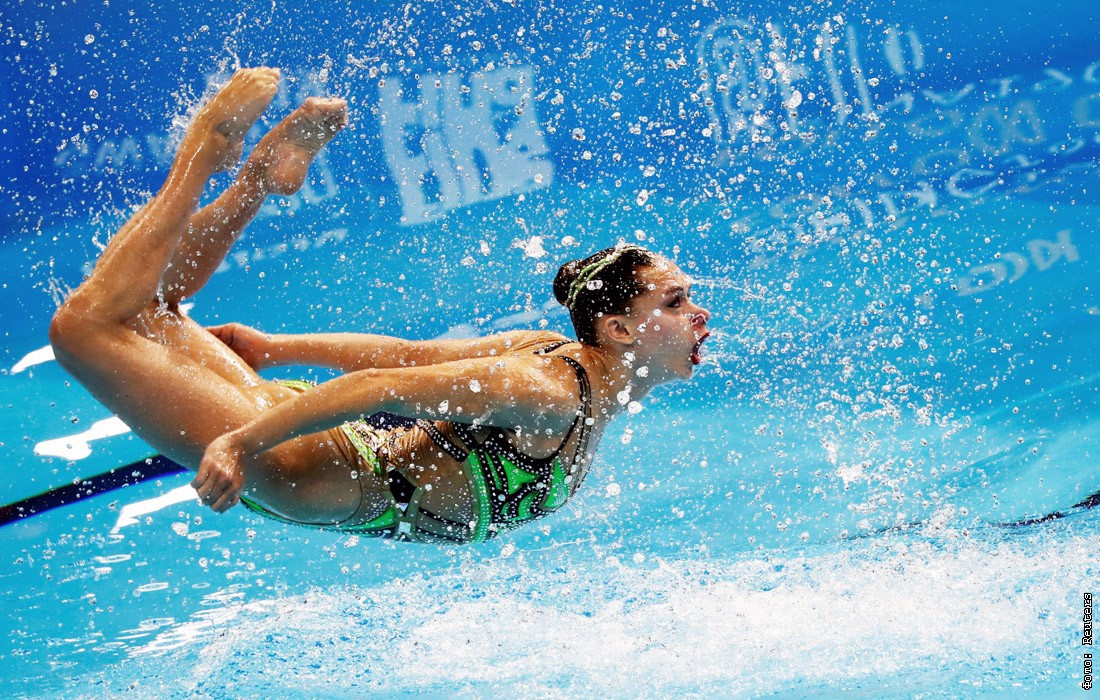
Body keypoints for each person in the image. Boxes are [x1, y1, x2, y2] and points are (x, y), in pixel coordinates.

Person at [49, 67, 712, 544]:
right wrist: (239, 443)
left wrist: (275, 348)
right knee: (82, 327)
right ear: (619, 327)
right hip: (290, 463)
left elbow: (409, 355)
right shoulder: (547, 390)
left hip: (314, 445)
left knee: (147, 312)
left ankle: (254, 183)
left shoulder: (550, 352)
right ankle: (203, 153)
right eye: (676, 300)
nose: (699, 313)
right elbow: (385, 383)